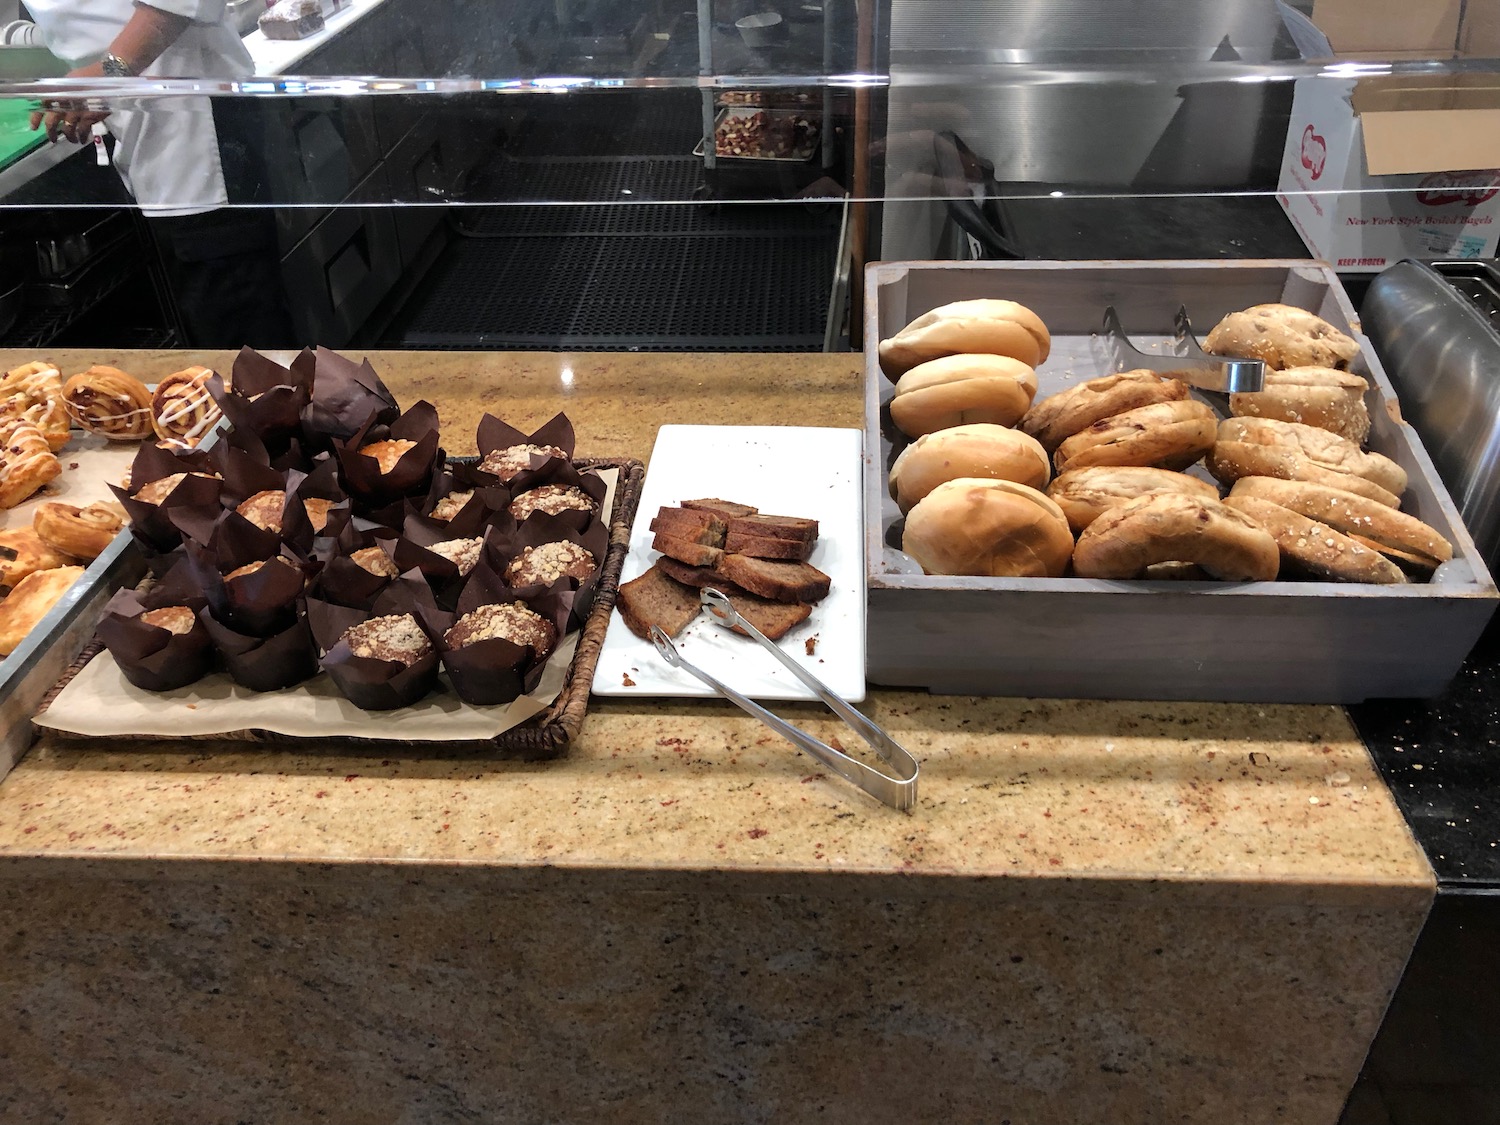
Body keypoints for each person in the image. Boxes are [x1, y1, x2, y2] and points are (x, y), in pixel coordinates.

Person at [24, 0, 295, 347]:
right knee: (209, 336)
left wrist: (109, 73)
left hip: (195, 125)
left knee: (243, 342)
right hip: (139, 127)